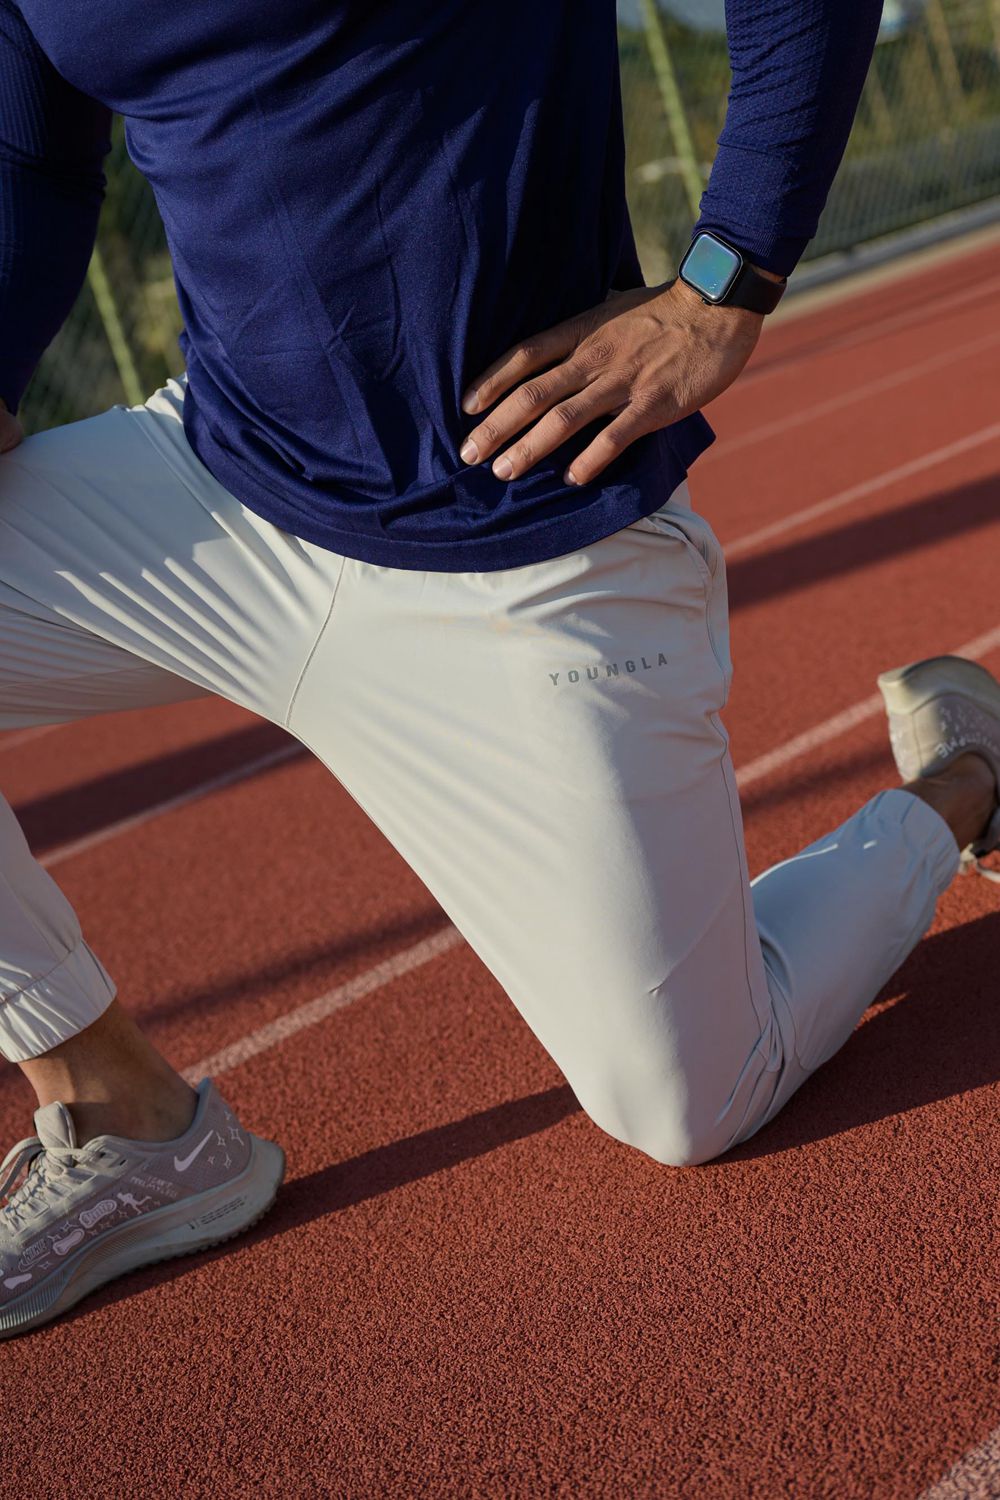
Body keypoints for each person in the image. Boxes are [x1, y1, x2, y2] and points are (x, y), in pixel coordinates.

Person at [0, 0, 997, 1340]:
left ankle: (964, 774)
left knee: (691, 1104)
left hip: (519, 517)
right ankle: (121, 1110)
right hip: (217, 489)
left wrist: (727, 281)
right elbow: (35, 161)